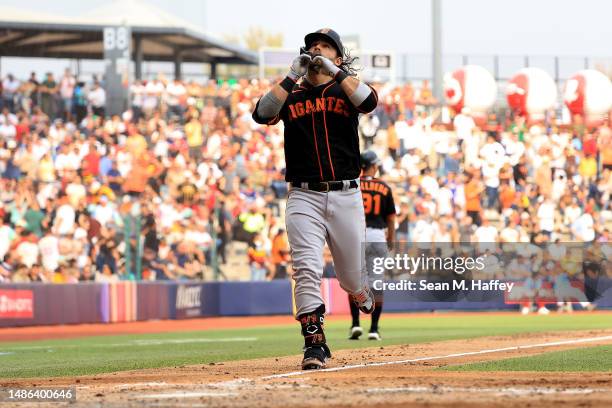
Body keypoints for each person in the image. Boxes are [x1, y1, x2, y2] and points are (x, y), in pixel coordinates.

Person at [252, 28, 378, 370]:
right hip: (303, 194)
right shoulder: (292, 94)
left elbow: (369, 102)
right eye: (312, 46)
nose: (316, 49)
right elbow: (261, 114)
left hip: (346, 193)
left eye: (324, 46)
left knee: (350, 277)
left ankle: (359, 289)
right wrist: (292, 74)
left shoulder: (344, 88)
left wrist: (337, 71)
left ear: (337, 56)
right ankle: (315, 343)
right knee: (306, 268)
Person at [348, 151, 395, 341]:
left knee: (355, 283)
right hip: (377, 234)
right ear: (373, 166)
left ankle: (355, 325)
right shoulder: (383, 187)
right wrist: (390, 239)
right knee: (377, 282)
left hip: (357, 234)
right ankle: (374, 329)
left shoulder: (352, 185)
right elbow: (391, 218)